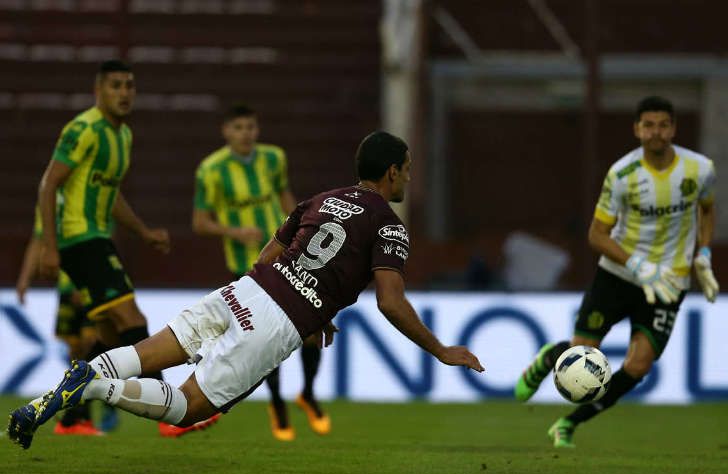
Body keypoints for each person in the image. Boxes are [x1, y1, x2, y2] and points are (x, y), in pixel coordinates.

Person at [8, 131, 484, 450]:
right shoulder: (389, 225)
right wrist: (440, 350)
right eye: (407, 169)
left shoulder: (321, 199)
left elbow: (270, 255)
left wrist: (317, 307)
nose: (409, 177)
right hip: (276, 322)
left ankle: (56, 393)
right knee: (188, 407)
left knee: (146, 352)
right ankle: (92, 385)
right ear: (392, 173)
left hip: (245, 289)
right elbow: (390, 301)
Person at [514, 96, 719, 448]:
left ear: (673, 128)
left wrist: (703, 253)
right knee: (582, 353)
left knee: (638, 366)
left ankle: (568, 424)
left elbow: (707, 210)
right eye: (649, 125)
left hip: (669, 280)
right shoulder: (622, 174)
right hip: (618, 276)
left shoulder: (700, 169)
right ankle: (550, 357)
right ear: (637, 129)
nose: (656, 132)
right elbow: (596, 234)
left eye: (663, 125)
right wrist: (638, 264)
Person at [33, 59, 213, 437]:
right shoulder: (83, 129)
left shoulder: (123, 136)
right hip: (80, 239)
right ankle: (170, 415)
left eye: (129, 85)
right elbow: (49, 184)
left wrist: (143, 232)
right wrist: (49, 246)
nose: (124, 92)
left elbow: (111, 195)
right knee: (133, 321)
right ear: (98, 91)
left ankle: (71, 418)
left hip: (97, 239)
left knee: (109, 339)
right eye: (115, 85)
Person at [192, 104, 328, 440]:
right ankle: (277, 402)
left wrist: (303, 231)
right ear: (226, 131)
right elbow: (200, 223)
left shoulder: (273, 158)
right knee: (267, 339)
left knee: (311, 329)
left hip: (286, 258)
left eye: (250, 127)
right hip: (246, 267)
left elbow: (286, 199)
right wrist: (234, 232)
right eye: (238, 127)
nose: (245, 134)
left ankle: (308, 393)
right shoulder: (210, 170)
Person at [16, 207, 107, 436]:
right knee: (75, 351)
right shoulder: (48, 205)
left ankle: (81, 414)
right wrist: (24, 279)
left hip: (91, 285)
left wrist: (86, 280)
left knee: (92, 343)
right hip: (66, 289)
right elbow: (38, 240)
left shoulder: (86, 200)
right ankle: (76, 417)